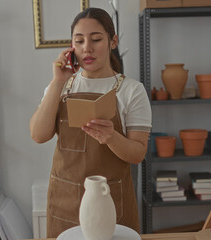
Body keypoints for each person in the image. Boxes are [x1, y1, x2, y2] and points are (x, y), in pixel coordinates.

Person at [29, 7, 152, 238]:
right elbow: (38, 134)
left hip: (112, 203)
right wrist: (57, 82)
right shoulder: (61, 86)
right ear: (71, 47)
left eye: (96, 39)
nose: (87, 47)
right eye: (79, 41)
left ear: (112, 41)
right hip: (66, 202)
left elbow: (138, 154)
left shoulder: (132, 90)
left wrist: (112, 137)